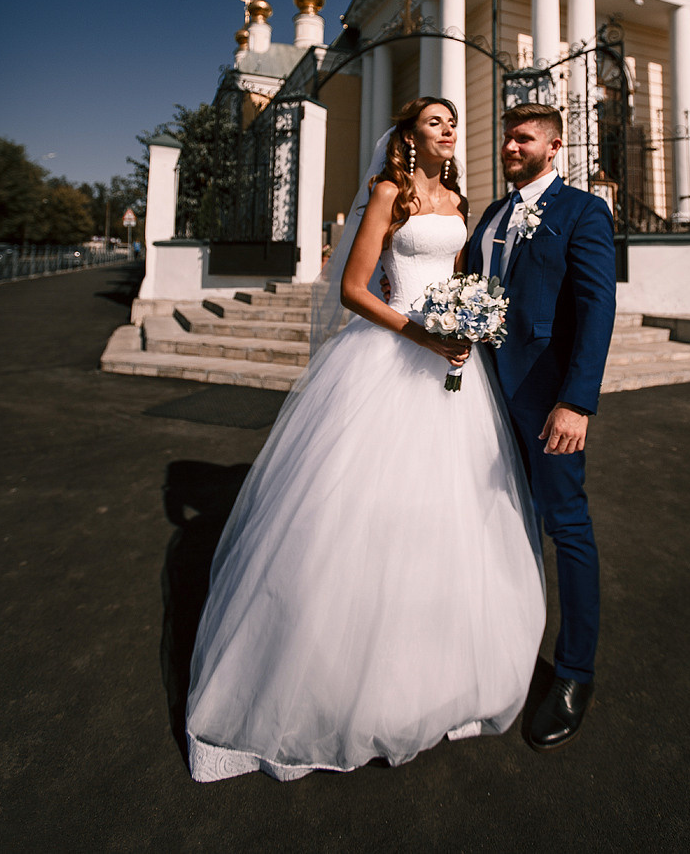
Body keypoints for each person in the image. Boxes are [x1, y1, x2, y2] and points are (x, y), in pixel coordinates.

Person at [185, 98, 545, 783]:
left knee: (450, 516)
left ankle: (440, 682)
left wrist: (466, 323)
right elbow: (354, 289)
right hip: (390, 352)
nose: (448, 128)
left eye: (451, 121)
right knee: (363, 516)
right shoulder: (389, 193)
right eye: (434, 120)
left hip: (453, 367)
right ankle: (334, 690)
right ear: (408, 135)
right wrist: (422, 334)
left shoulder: (459, 197)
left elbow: (462, 277)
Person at [467, 103, 616, 752]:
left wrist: (576, 401)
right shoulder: (491, 217)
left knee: (566, 525)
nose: (509, 146)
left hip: (545, 401)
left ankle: (574, 673)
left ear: (553, 147)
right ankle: (500, 645)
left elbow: (596, 307)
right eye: (505, 137)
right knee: (494, 520)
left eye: (522, 138)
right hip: (478, 398)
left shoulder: (582, 212)